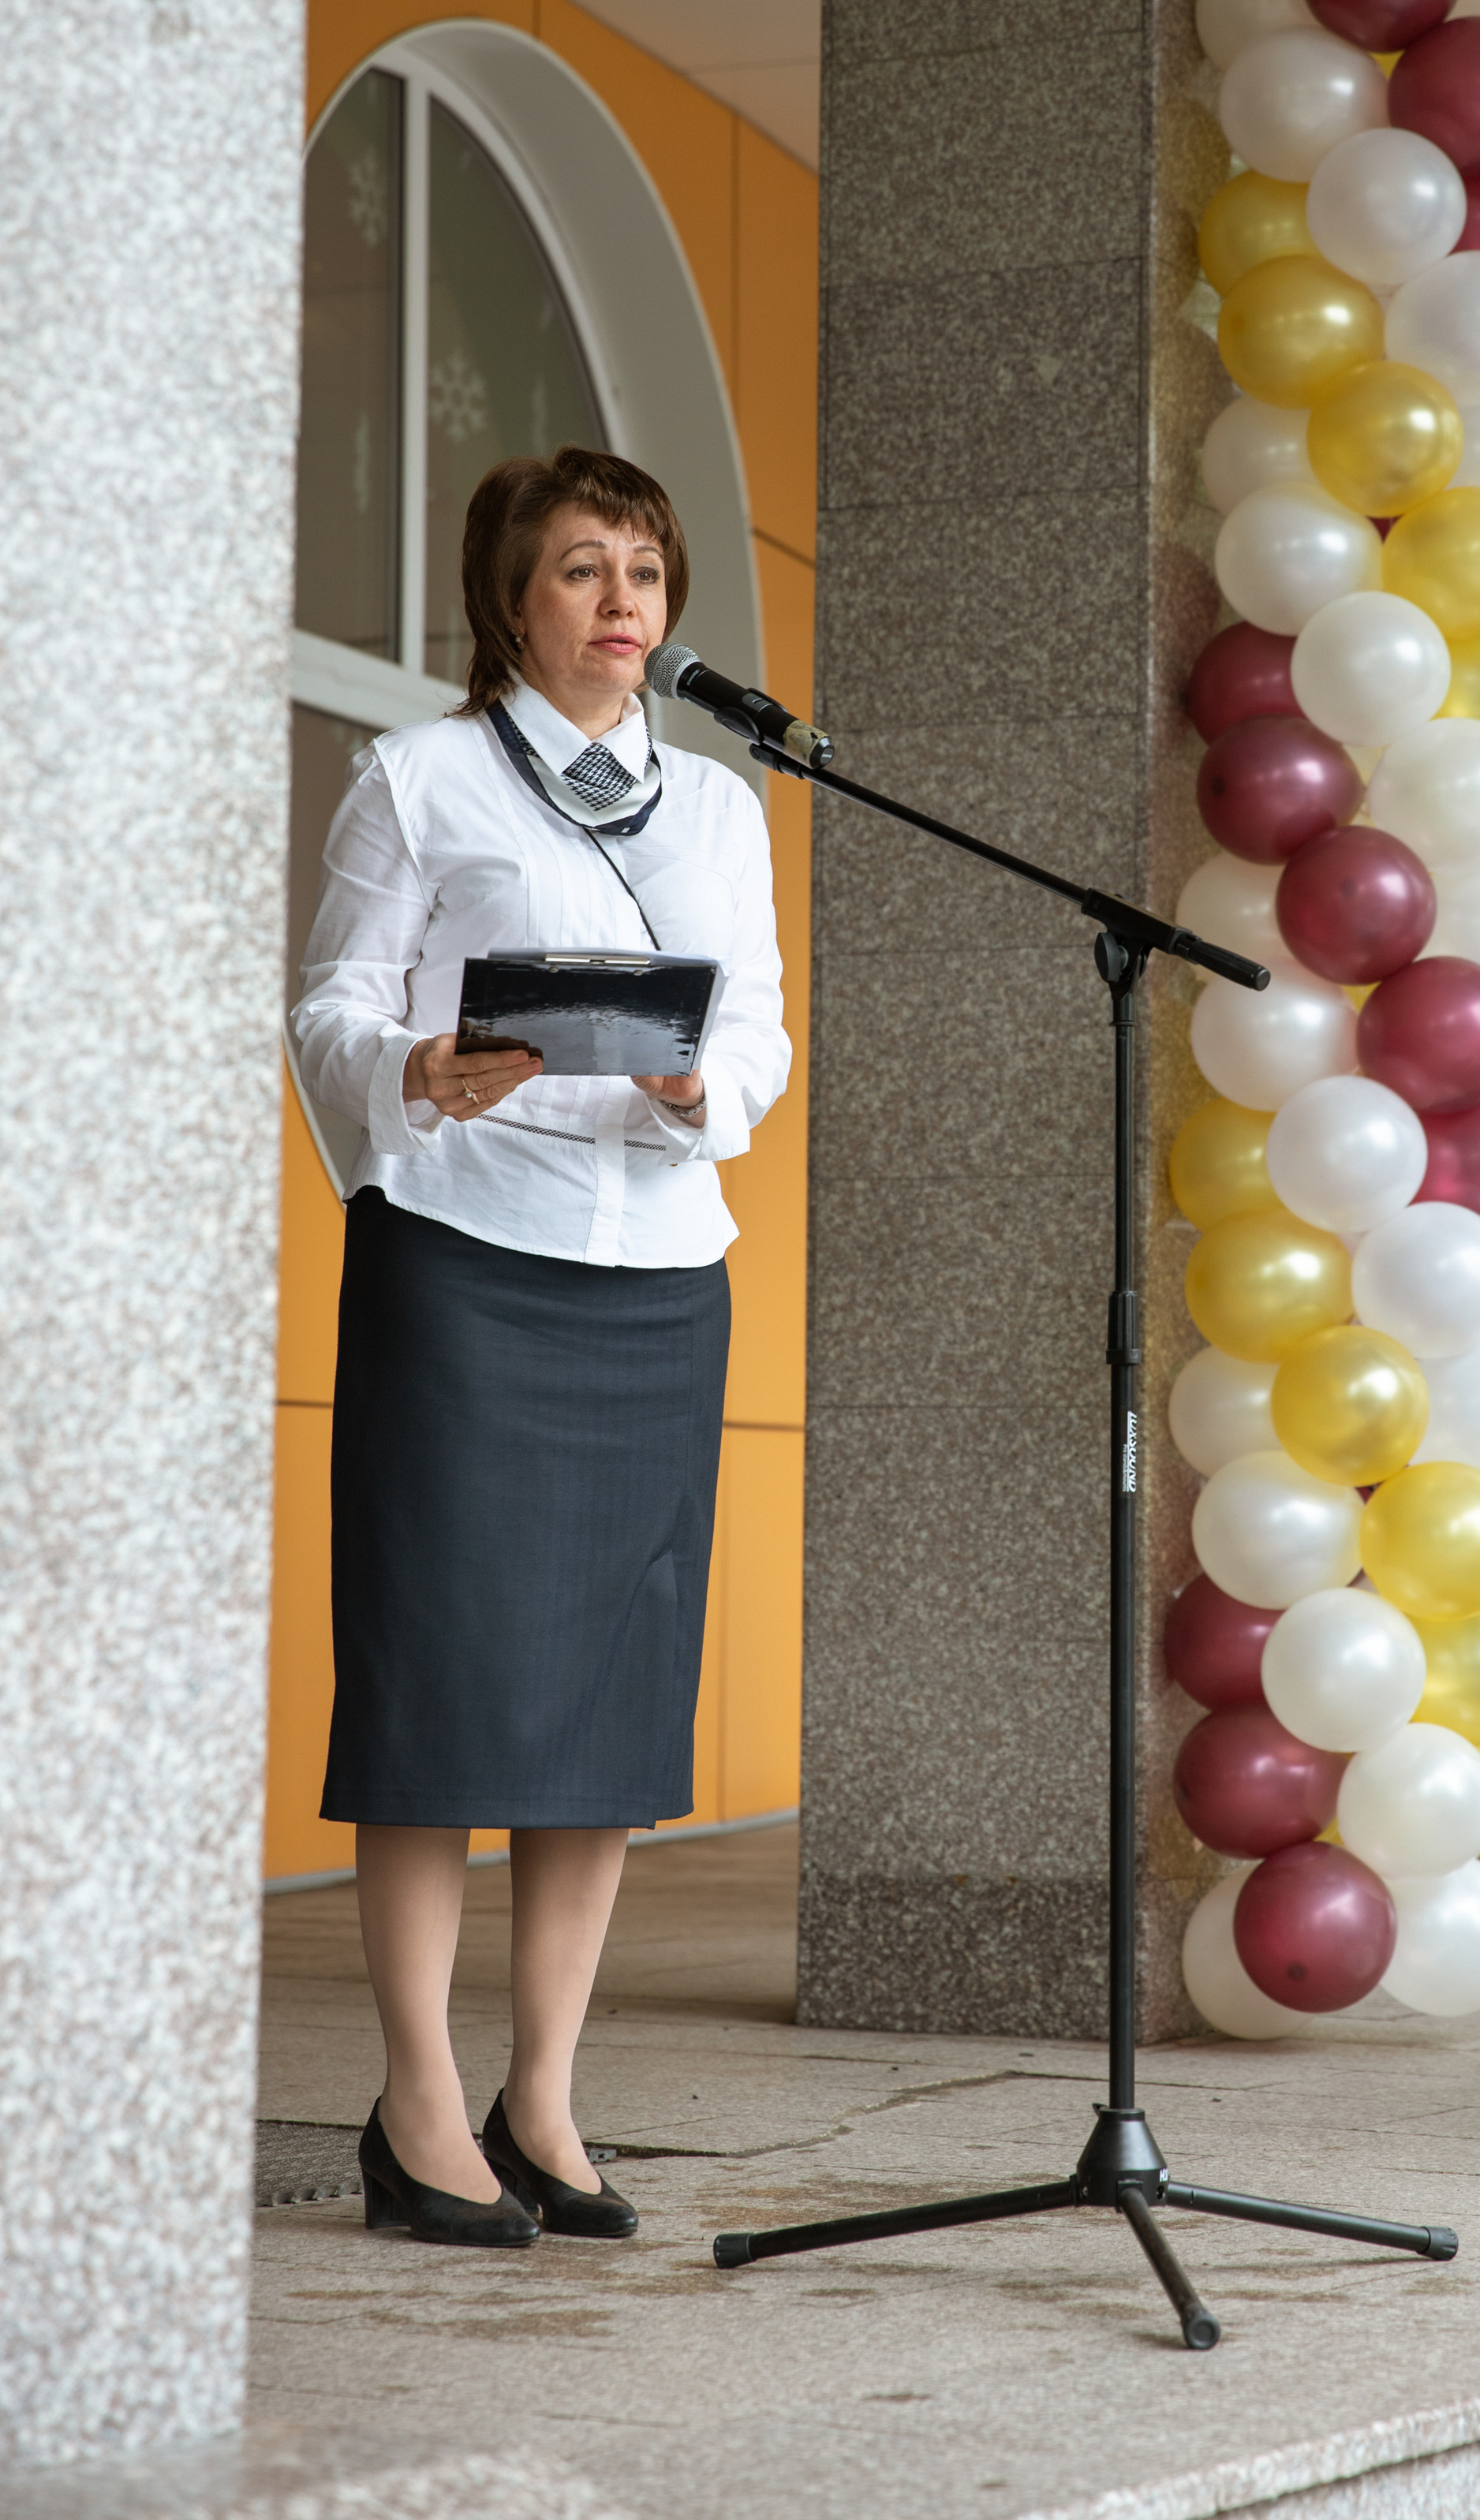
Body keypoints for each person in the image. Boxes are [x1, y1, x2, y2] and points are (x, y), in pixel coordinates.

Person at [293, 445, 789, 2247]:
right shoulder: (415, 778)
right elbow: (333, 1000)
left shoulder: (721, 808)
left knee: (601, 1708)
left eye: (642, 569)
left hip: (658, 1267)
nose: (619, 602)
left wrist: (695, 1083)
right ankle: (418, 2099)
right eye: (580, 568)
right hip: (458, 1253)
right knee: (437, 1694)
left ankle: (544, 2095)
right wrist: (411, 1068)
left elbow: (761, 1043)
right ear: (514, 598)